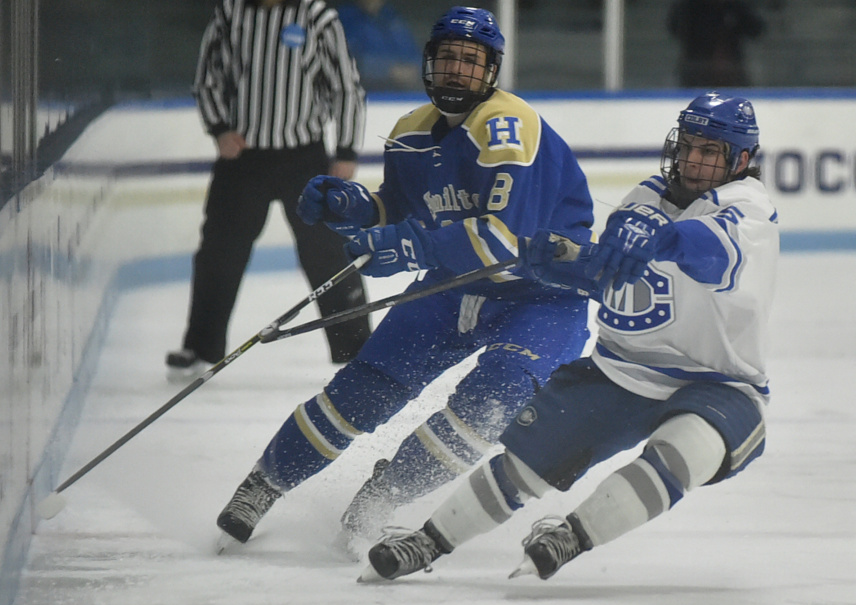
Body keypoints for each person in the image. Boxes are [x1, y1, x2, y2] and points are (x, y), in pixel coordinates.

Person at [214, 6, 595, 553]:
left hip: (543, 295)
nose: (459, 69)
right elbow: (403, 208)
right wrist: (359, 207)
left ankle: (385, 494)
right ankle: (264, 482)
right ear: (429, 63)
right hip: (450, 285)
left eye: (472, 60)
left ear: (491, 70)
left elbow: (506, 243)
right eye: (448, 58)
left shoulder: (510, 125)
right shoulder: (409, 131)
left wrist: (412, 243)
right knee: (361, 392)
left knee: (496, 397)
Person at [360, 90, 779, 582]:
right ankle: (427, 541)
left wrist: (656, 237)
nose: (691, 160)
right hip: (619, 371)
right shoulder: (645, 196)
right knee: (522, 465)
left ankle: (572, 536)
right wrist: (559, 264)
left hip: (720, 385)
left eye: (709, 152)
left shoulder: (749, 207)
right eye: (688, 145)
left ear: (742, 160)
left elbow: (707, 249)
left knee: (689, 449)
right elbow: (614, 279)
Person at [167, 0, 371, 382]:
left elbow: (346, 86)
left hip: (305, 158)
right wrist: (219, 129)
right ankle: (200, 346)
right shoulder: (231, 12)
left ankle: (356, 351)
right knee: (219, 252)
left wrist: (346, 151)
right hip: (243, 159)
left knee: (328, 251)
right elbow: (207, 78)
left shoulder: (316, 15)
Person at [667, 0, 764, 88]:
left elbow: (756, 30)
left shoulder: (737, 7)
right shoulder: (689, 7)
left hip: (733, 68)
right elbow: (675, 27)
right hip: (697, 68)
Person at [337, 0, 423, 92]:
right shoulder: (344, 19)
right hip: (364, 95)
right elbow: (346, 60)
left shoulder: (392, 16)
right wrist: (388, 71)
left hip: (400, 97)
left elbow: (413, 53)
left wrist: (414, 69)